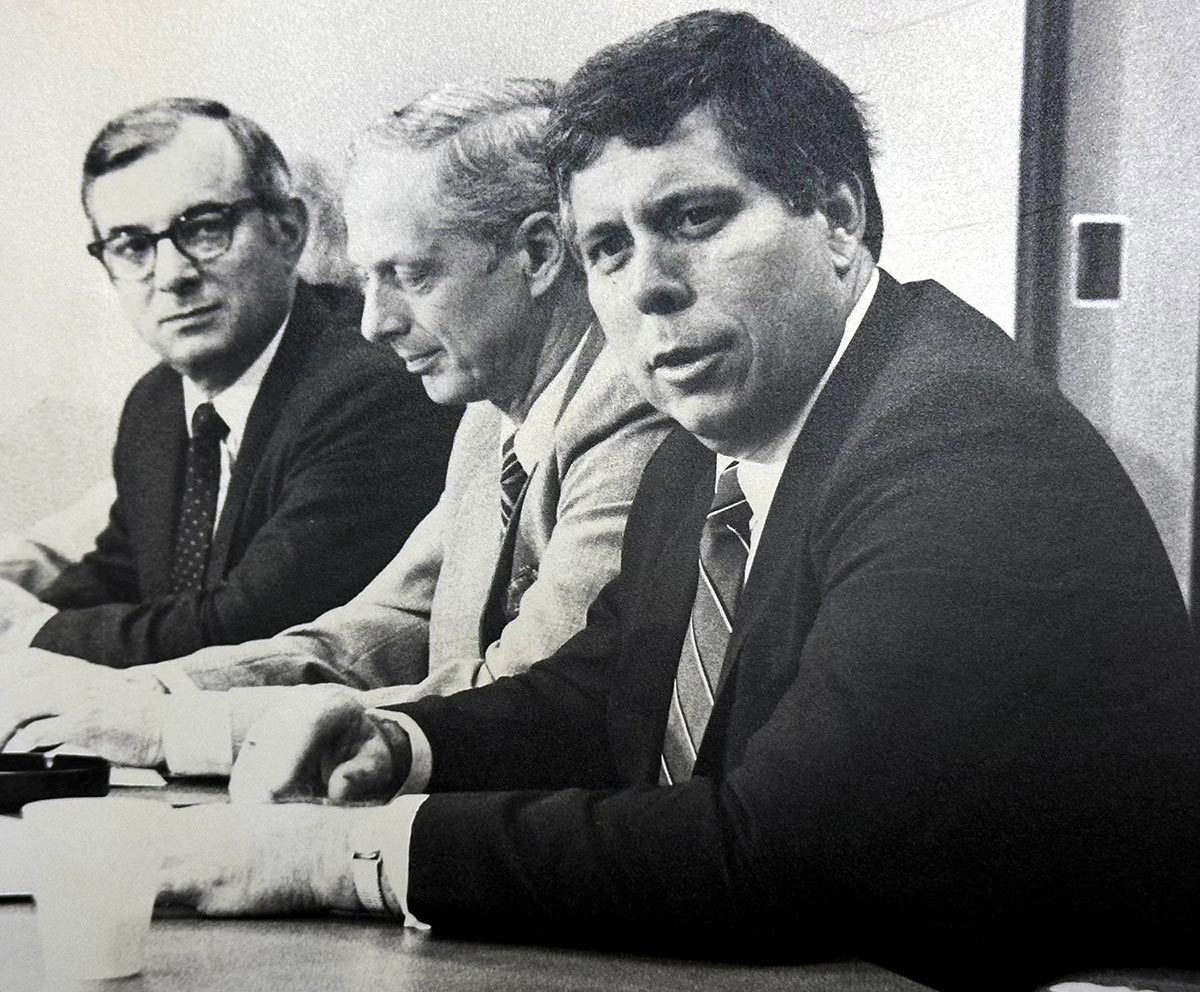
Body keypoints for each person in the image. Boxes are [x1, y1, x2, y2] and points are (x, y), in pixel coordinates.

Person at [150, 14, 1200, 991]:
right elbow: (599, 695)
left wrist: (356, 853)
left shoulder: (959, 443)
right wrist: (402, 740)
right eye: (607, 246)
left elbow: (779, 850)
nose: (645, 287)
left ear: (837, 217)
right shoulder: (710, 450)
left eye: (693, 218)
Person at [0, 80, 670, 775]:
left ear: (537, 254)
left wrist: (177, 729)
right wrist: (142, 693)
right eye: (366, 278)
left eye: (407, 274)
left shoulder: (630, 405)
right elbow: (378, 631)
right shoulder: (486, 418)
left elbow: (517, 700)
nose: (376, 321)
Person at [0, 98, 459, 669]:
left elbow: (249, 626)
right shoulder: (157, 402)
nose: (172, 276)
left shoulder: (374, 384)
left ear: (288, 231)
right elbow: (125, 577)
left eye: (205, 228)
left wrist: (32, 633)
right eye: (132, 246)